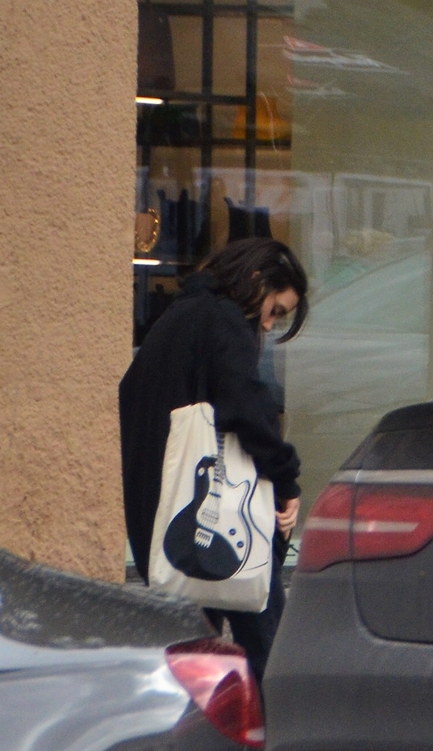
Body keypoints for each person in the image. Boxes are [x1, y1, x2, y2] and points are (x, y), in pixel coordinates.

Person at [119, 238, 308, 675]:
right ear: (258, 279)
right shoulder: (224, 320)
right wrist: (286, 480)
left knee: (198, 660)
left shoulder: (180, 317)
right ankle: (267, 741)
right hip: (219, 527)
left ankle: (207, 741)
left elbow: (132, 392)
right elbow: (245, 407)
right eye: (276, 311)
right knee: (265, 645)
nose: (267, 326)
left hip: (170, 525)